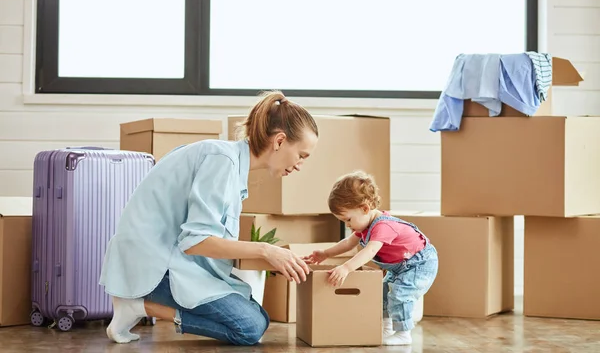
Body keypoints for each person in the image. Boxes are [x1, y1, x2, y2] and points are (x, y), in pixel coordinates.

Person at [99, 91, 319, 345]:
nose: (300, 165)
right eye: (302, 155)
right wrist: (266, 250)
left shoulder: (230, 163)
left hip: (170, 258)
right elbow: (196, 242)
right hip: (153, 264)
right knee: (249, 327)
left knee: (258, 317)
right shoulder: (222, 161)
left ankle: (139, 305)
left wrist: (275, 258)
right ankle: (139, 306)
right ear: (279, 141)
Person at [304, 171, 438, 346]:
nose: (348, 225)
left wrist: (346, 268)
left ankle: (403, 332)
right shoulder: (365, 225)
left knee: (400, 294)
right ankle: (388, 327)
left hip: (419, 263)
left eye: (348, 219)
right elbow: (348, 243)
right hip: (401, 266)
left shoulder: (383, 225)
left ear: (365, 209)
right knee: (382, 292)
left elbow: (370, 251)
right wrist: (326, 253)